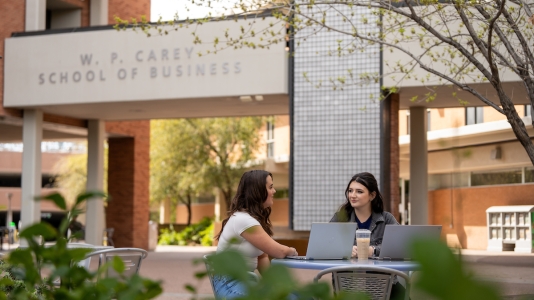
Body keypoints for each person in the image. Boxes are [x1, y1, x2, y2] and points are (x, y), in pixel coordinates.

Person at [213, 170, 298, 299]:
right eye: (270, 187)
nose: (274, 191)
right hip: (230, 284)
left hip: (246, 282)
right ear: (257, 191)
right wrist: (292, 251)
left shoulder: (251, 219)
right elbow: (279, 251)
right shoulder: (243, 219)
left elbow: (262, 258)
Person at [330, 172, 406, 299]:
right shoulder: (340, 218)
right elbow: (326, 245)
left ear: (372, 195)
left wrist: (373, 250)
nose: (352, 195)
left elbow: (401, 246)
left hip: (384, 284)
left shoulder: (386, 219)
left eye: (359, 191)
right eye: (350, 191)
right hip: (348, 284)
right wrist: (345, 250)